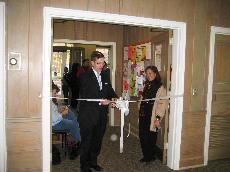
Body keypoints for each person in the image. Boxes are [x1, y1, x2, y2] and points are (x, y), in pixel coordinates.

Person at [78, 51, 118, 172]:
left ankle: (93, 162)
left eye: (102, 63)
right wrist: (101, 101)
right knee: (87, 141)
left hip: (101, 115)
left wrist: (115, 97)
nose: (101, 65)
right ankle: (84, 166)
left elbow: (109, 90)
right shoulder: (84, 77)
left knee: (97, 141)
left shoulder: (105, 75)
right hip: (88, 115)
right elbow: (85, 96)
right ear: (92, 63)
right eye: (98, 63)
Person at [138, 66, 168, 163]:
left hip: (152, 116)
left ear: (155, 74)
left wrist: (158, 118)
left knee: (150, 138)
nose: (148, 75)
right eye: (147, 73)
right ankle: (146, 155)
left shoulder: (160, 88)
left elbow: (162, 104)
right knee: (142, 136)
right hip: (143, 114)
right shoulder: (147, 85)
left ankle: (150, 156)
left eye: (150, 73)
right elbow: (143, 98)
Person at [52, 83, 81, 159]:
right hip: (56, 124)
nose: (55, 95)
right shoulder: (48, 102)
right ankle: (78, 142)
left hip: (56, 122)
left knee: (70, 113)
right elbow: (55, 118)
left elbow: (53, 113)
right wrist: (62, 113)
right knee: (73, 123)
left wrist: (59, 110)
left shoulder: (49, 101)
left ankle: (78, 141)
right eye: (54, 93)